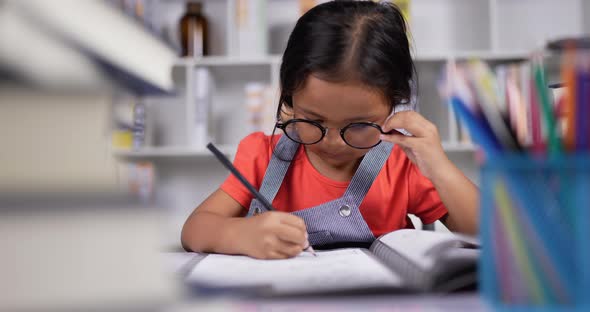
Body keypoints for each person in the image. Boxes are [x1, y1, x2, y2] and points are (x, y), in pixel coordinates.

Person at [181, 0, 478, 259]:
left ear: (396, 104)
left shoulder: (402, 165)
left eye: (359, 125)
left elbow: (489, 236)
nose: (334, 142)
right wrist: (240, 235)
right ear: (289, 95)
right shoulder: (261, 156)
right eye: (313, 121)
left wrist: (440, 167)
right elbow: (194, 230)